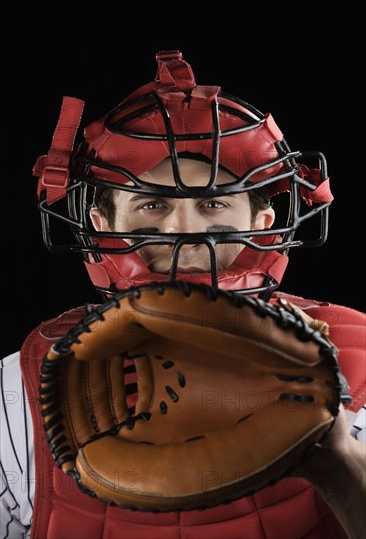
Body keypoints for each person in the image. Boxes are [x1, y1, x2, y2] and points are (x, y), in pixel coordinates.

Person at [1, 50, 365, 539]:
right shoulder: (18, 385)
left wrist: (342, 466)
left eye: (213, 203)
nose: (184, 232)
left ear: (262, 225)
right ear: (103, 226)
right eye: (152, 204)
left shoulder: (359, 358)